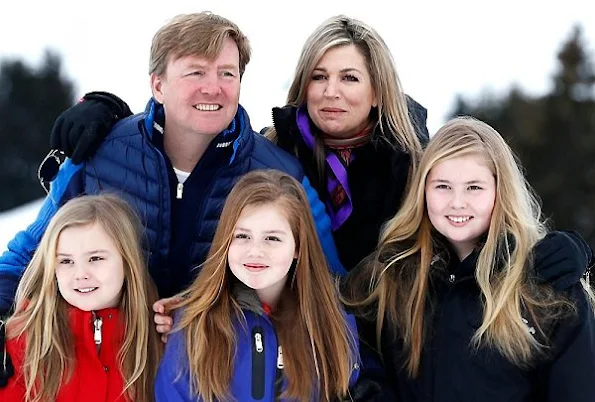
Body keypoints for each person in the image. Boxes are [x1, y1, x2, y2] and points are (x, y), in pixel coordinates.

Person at [0, 12, 343, 316]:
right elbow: (27, 257)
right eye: (196, 72)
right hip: (115, 367)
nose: (214, 88)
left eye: (227, 73)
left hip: (221, 372)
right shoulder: (99, 154)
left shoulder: (280, 174)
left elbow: (329, 287)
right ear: (158, 85)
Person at [43, 15, 429, 272]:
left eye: (349, 78)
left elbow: (327, 286)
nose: (331, 93)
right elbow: (31, 253)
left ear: (378, 90)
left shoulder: (411, 166)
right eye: (319, 77)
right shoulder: (280, 150)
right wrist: (106, 112)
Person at [343, 116, 595, 401]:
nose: (457, 202)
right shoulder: (390, 274)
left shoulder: (546, 281)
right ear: (422, 191)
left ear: (501, 190)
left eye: (474, 187)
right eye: (442, 186)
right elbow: (341, 338)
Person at [154, 170, 374, 401]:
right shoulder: (194, 325)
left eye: (272, 238)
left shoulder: (331, 322)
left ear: (298, 246)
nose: (255, 251)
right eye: (242, 236)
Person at [0, 194, 161, 402]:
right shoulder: (26, 337)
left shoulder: (155, 338)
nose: (80, 273)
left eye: (95, 258)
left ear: (127, 261)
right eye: (66, 261)